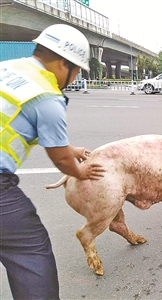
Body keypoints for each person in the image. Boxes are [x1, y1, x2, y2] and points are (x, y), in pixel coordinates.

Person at [0, 24, 106, 299]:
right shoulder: (47, 95)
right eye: (77, 71)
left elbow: (16, 120)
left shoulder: (9, 68)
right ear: (63, 64)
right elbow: (59, 158)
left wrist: (71, 148)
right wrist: (80, 171)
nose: (75, 77)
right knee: (29, 249)